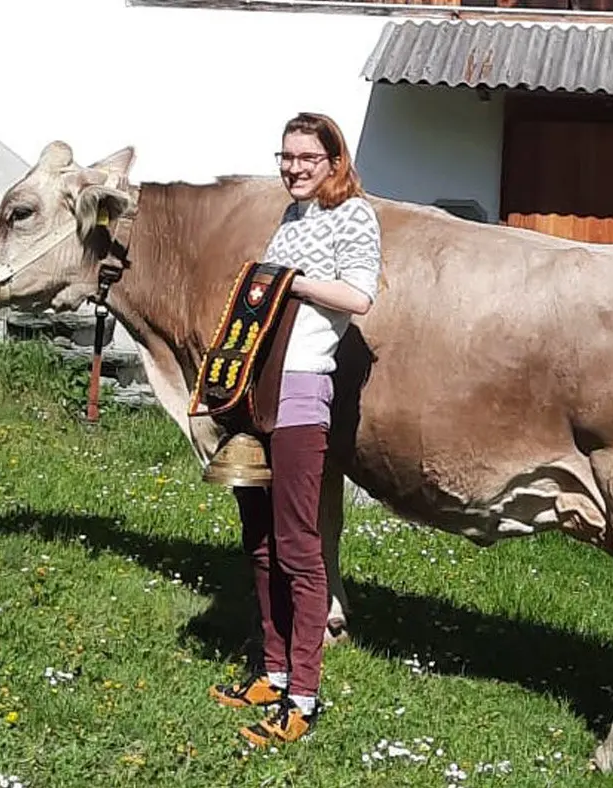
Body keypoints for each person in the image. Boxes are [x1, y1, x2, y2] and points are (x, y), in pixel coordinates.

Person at [208, 112, 382, 745]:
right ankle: (274, 672)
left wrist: (290, 282)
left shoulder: (355, 215)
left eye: (307, 158)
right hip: (257, 391)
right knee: (260, 539)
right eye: (286, 157)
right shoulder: (291, 217)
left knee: (299, 549)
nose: (294, 168)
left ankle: (303, 699)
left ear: (334, 161)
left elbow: (361, 296)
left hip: (304, 392)